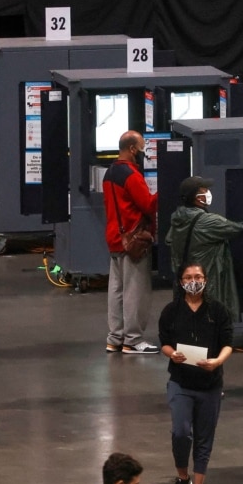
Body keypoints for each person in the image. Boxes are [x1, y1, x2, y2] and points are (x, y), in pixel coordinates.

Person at [160, 262, 234, 484]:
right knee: (181, 432)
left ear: (206, 280)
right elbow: (164, 342)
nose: (194, 280)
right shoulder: (171, 311)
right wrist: (172, 354)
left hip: (210, 385)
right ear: (181, 282)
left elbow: (228, 344)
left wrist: (217, 362)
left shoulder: (218, 311)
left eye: (199, 276)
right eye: (189, 277)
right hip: (180, 382)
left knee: (205, 436)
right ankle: (183, 477)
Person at [103, 130, 160, 354]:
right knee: (135, 290)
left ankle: (115, 338)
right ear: (133, 149)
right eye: (142, 148)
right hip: (134, 241)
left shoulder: (110, 173)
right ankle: (133, 340)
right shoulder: (131, 175)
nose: (144, 152)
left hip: (115, 238)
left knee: (116, 290)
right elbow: (148, 204)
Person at [165, 175, 243, 321]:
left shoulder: (178, 217)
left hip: (185, 278)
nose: (208, 192)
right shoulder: (206, 222)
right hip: (207, 279)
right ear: (197, 197)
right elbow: (238, 229)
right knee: (208, 316)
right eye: (205, 190)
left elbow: (169, 240)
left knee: (189, 312)